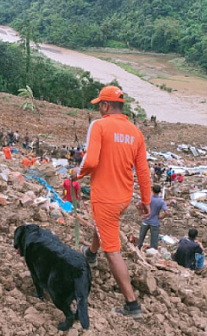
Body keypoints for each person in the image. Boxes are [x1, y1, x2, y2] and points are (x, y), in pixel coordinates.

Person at [71, 85, 151, 318]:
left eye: (99, 106)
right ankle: (91, 255)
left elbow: (91, 160)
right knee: (104, 227)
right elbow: (143, 170)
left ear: (105, 106)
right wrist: (145, 200)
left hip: (104, 197)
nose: (99, 110)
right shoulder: (135, 132)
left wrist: (78, 172)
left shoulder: (99, 126)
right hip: (123, 197)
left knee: (113, 249)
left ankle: (131, 304)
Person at [133, 185, 168, 250]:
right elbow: (166, 212)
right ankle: (152, 253)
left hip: (145, 221)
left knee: (141, 237)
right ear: (159, 192)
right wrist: (160, 217)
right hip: (155, 222)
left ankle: (138, 249)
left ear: (152, 190)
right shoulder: (161, 201)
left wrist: (142, 211)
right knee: (154, 240)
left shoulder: (148, 198)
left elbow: (137, 204)